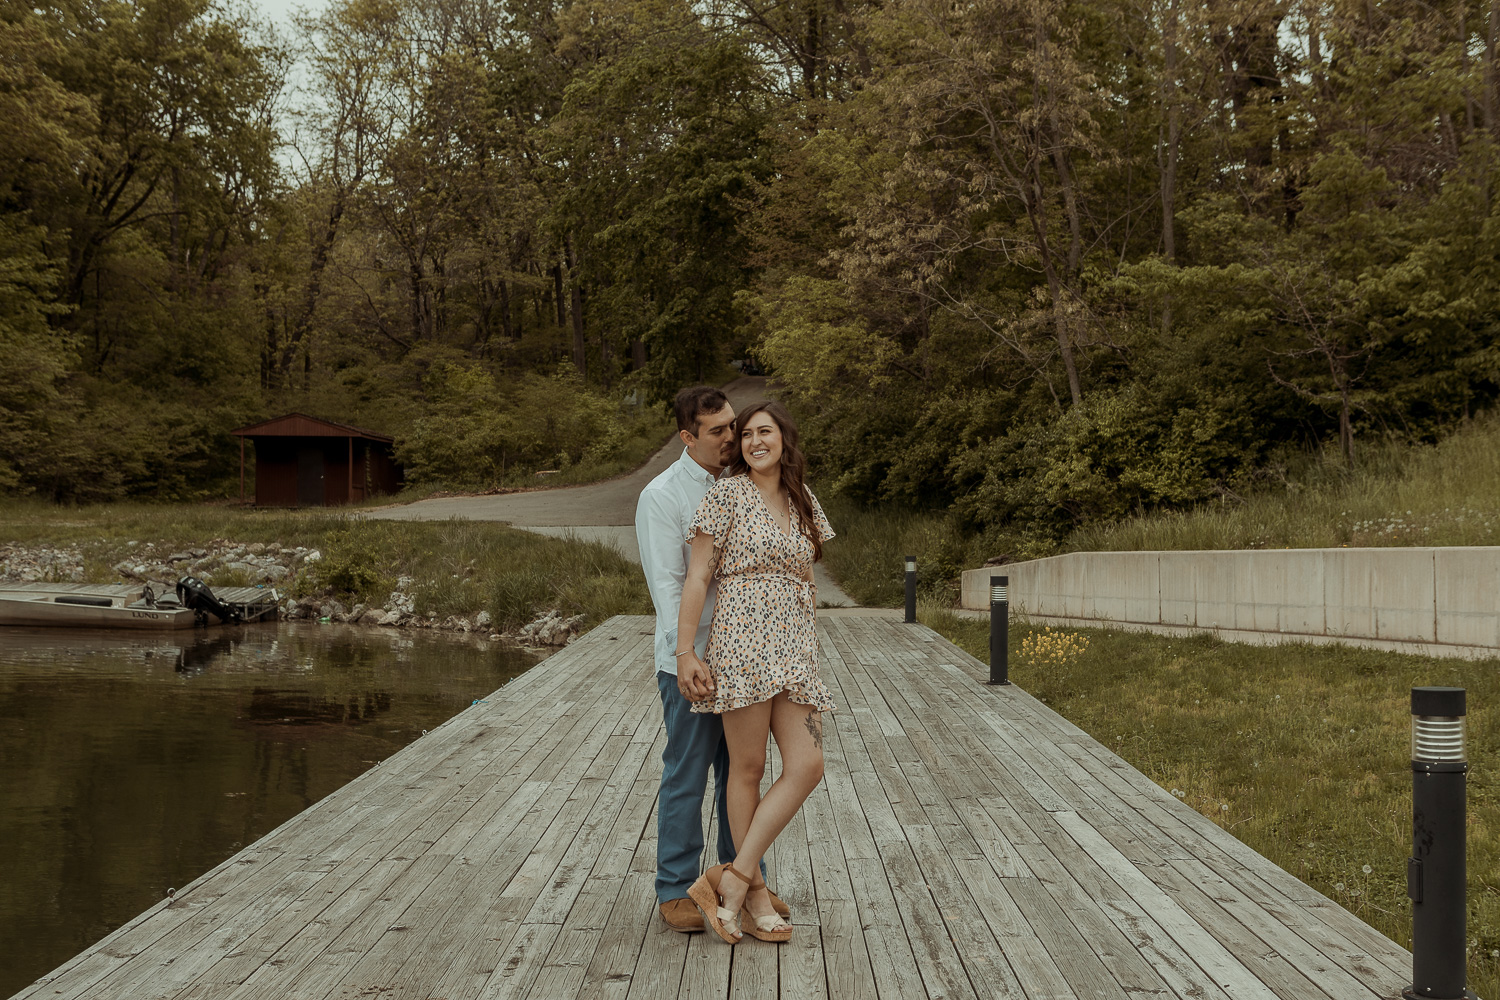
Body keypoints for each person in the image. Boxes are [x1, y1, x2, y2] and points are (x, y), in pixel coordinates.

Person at [677, 400, 835, 944]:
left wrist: (807, 643)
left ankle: (733, 877)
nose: (753, 442)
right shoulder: (725, 495)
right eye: (745, 435)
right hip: (742, 641)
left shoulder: (802, 500)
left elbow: (808, 578)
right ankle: (758, 895)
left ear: (784, 439)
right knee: (746, 770)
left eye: (764, 432)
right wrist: (685, 653)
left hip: (794, 645)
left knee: (808, 765)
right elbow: (697, 577)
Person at [634, 386, 789, 933]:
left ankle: (742, 880)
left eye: (733, 426)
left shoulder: (746, 484)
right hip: (694, 659)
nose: (732, 438)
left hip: (748, 656)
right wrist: (687, 657)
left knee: (742, 771)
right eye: (719, 431)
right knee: (688, 772)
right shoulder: (663, 496)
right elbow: (669, 586)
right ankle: (676, 888)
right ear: (687, 437)